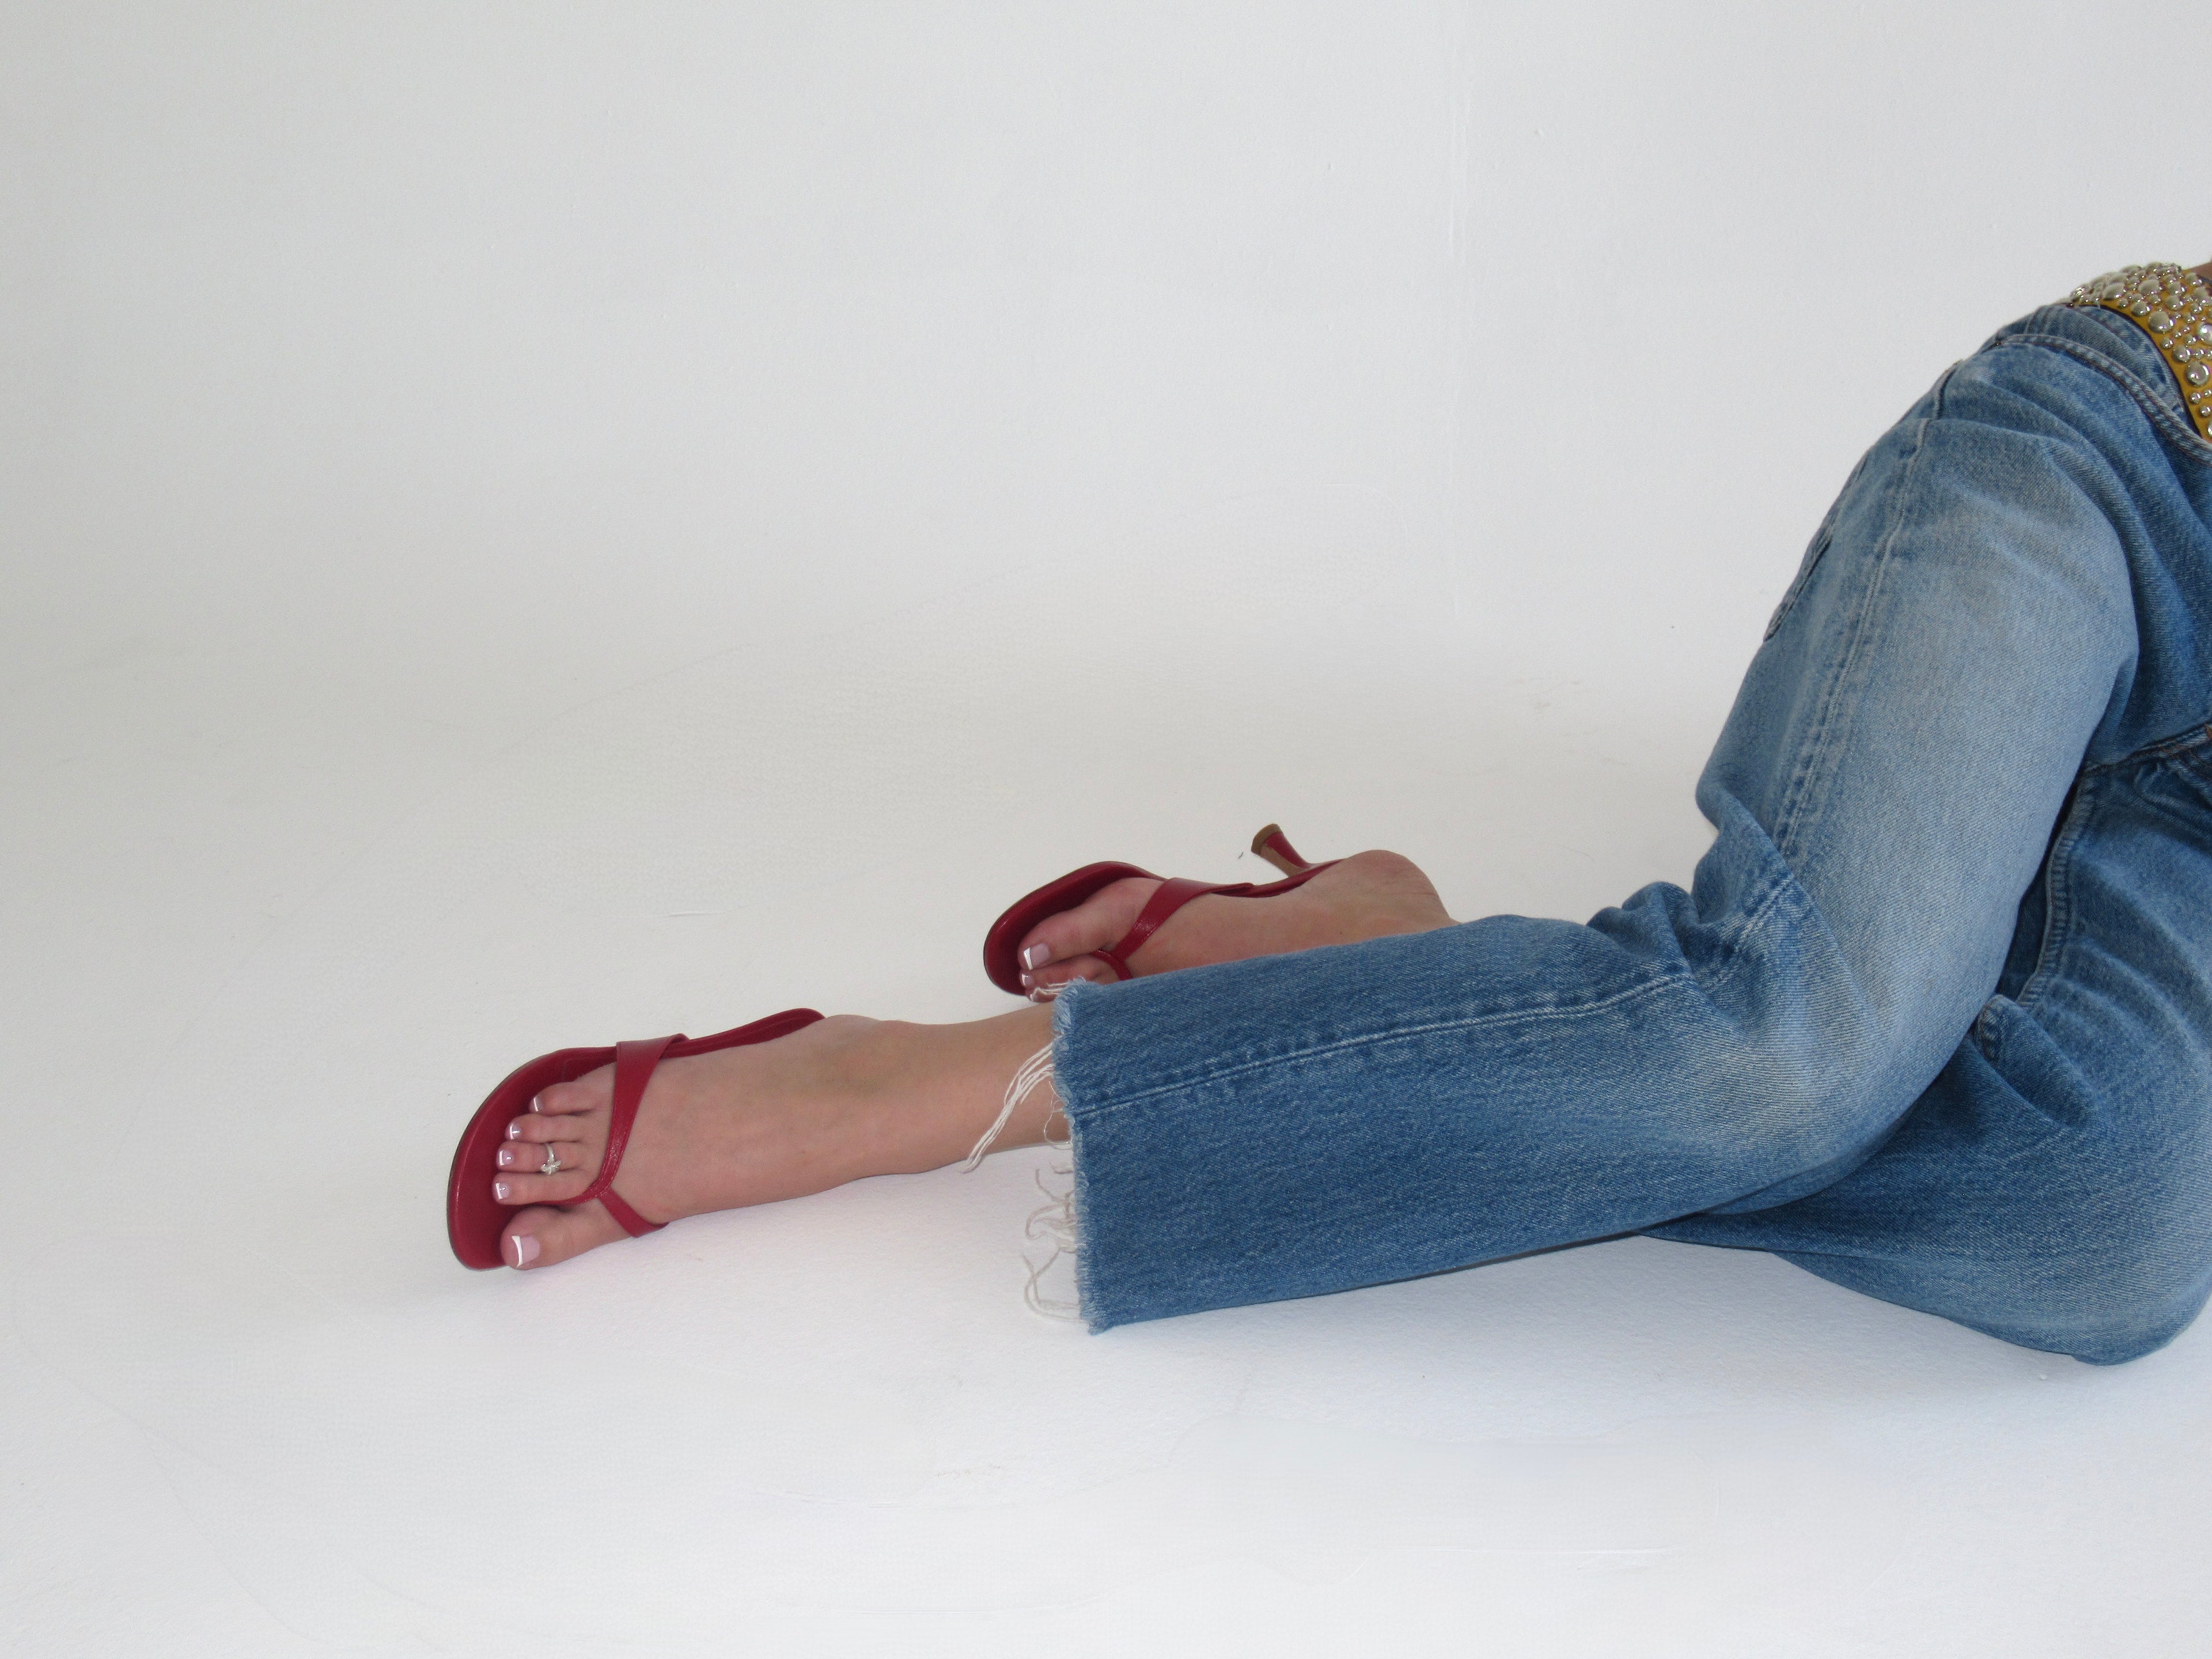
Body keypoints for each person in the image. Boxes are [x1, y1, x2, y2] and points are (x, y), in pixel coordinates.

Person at [467, 259, 2212, 1368]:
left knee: (2107, 1235)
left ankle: (1412, 964)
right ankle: (919, 1082)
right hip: (2138, 487)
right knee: (1796, 1040)